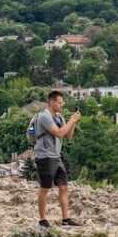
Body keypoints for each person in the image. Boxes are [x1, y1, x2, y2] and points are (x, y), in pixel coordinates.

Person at [34, 89, 81, 228]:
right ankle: (42, 220)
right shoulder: (44, 117)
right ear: (52, 102)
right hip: (45, 156)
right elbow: (59, 133)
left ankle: (66, 219)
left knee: (64, 186)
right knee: (45, 188)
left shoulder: (59, 117)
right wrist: (71, 120)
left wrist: (73, 122)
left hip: (56, 156)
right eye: (60, 102)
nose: (62, 105)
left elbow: (68, 136)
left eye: (63, 102)